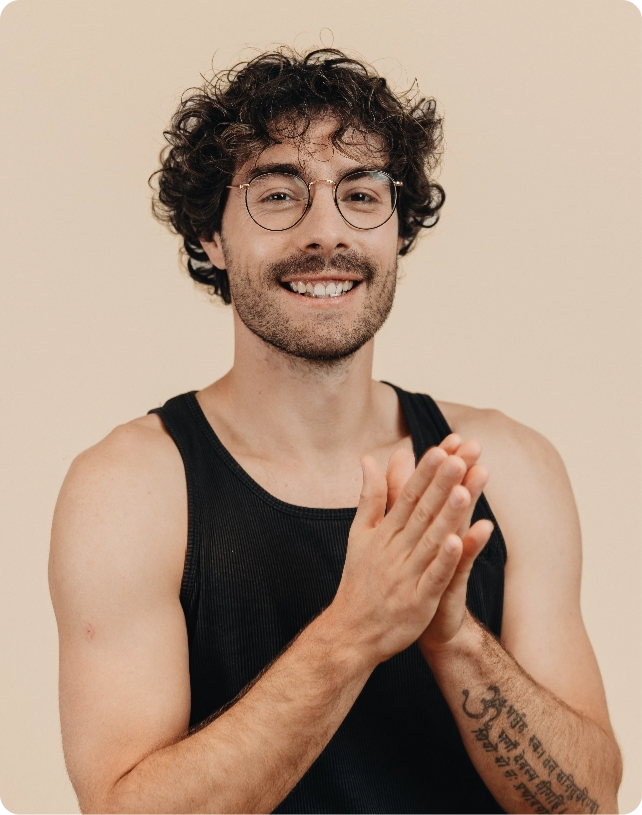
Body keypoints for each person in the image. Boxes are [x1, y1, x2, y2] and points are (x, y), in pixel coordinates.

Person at [48, 47, 622, 815]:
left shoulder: (509, 467)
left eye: (361, 193)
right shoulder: (128, 490)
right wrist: (355, 630)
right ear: (211, 236)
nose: (328, 232)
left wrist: (456, 640)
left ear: (399, 230)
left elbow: (591, 803)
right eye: (279, 194)